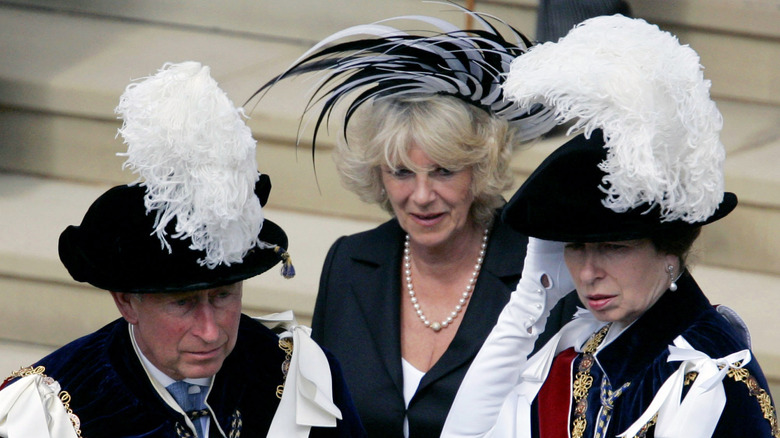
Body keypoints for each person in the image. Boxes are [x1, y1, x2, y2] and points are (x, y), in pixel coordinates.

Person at [250, 7, 580, 438]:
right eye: (402, 172)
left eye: (444, 171)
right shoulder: (351, 263)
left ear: (480, 169)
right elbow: (322, 419)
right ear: (379, 177)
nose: (421, 197)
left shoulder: (543, 267)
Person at [441, 15, 779, 437]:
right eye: (576, 246)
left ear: (669, 248)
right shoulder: (583, 347)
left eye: (614, 247)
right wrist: (531, 299)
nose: (587, 272)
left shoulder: (703, 372)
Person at [0, 62, 364, 438]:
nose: (210, 332)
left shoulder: (298, 376)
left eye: (223, 295)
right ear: (126, 302)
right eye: (183, 303)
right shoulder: (47, 416)